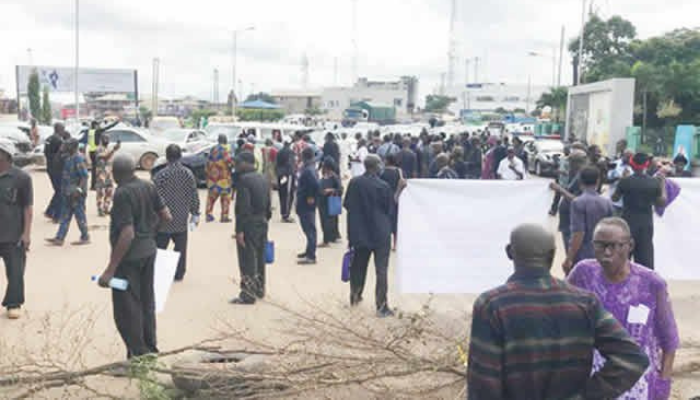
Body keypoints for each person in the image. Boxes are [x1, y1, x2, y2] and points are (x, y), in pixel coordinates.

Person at [467, 223, 650, 399]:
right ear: (553, 254)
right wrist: (587, 396)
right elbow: (633, 359)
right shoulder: (585, 303)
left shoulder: (492, 305)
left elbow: (483, 383)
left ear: (509, 252)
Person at [568, 218, 679, 400]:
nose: (607, 253)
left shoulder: (651, 283)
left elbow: (669, 340)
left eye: (615, 246)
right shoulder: (583, 274)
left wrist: (662, 385)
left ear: (630, 245)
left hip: (640, 384)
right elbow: (561, 310)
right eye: (600, 246)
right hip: (596, 382)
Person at [98, 154, 171, 359]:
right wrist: (151, 236)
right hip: (149, 253)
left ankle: (137, 355)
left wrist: (110, 270)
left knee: (127, 309)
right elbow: (166, 216)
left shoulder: (122, 193)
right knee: (146, 302)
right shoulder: (149, 186)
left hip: (128, 261)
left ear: (117, 174)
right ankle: (149, 348)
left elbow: (127, 233)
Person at [344, 154, 394, 318]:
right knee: (381, 270)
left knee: (358, 267)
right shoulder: (384, 186)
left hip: (360, 232)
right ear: (376, 166)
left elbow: (348, 205)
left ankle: (355, 296)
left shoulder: (354, 183)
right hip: (380, 232)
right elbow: (389, 209)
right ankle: (381, 305)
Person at [154, 145, 200, 282]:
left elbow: (154, 197)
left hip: (163, 219)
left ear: (167, 157)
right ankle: (179, 273)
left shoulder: (161, 175)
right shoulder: (188, 173)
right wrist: (195, 212)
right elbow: (193, 194)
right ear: (180, 156)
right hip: (181, 218)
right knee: (180, 248)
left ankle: (158, 272)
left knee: (160, 247)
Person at [612, 152, 667, 270]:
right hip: (645, 225)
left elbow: (614, 198)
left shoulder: (625, 181)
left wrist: (622, 179)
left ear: (632, 165)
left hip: (627, 224)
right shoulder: (654, 182)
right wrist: (662, 185)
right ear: (647, 165)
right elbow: (661, 203)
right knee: (644, 263)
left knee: (622, 260)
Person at [231, 152, 272, 305]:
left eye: (238, 163)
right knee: (260, 257)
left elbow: (243, 208)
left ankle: (248, 294)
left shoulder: (244, 181)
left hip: (249, 223)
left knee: (247, 258)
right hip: (262, 221)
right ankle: (260, 289)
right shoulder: (263, 177)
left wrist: (239, 230)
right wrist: (265, 219)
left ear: (247, 163)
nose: (236, 166)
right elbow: (269, 202)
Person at [0, 141, 33, 319]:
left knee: (15, 271)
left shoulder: (22, 178)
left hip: (13, 234)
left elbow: (28, 208)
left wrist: (26, 233)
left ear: (6, 155)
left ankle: (14, 303)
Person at [562, 166, 614, 274]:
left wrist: (569, 258)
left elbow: (578, 233)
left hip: (583, 256)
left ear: (580, 181)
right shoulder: (607, 203)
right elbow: (611, 233)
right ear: (598, 181)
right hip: (602, 255)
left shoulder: (578, 203)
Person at [46, 138, 90, 246]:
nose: (66, 147)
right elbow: (55, 162)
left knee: (80, 216)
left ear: (74, 147)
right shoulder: (67, 157)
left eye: (68, 145)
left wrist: (79, 190)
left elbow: (84, 176)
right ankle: (59, 238)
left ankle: (85, 236)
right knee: (65, 216)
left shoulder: (78, 158)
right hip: (67, 193)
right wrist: (61, 150)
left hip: (76, 194)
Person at [296, 147, 320, 265]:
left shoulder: (308, 170)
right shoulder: (309, 168)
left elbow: (315, 184)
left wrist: (310, 196)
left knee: (310, 229)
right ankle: (308, 251)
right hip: (304, 202)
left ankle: (311, 256)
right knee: (307, 228)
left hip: (306, 203)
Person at [205, 134, 234, 223]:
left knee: (211, 197)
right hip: (223, 178)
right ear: (225, 140)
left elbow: (207, 163)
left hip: (212, 177)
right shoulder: (225, 150)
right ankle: (224, 216)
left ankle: (208, 214)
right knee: (225, 197)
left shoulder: (213, 149)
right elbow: (229, 162)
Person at [379, 154, 405, 250]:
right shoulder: (399, 171)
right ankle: (395, 244)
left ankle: (387, 243)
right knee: (396, 222)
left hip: (386, 199)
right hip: (397, 199)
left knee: (386, 221)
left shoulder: (383, 173)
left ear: (387, 161)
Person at [86, 118, 120, 191]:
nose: (98, 126)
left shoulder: (90, 131)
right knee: (98, 170)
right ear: (95, 125)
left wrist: (103, 122)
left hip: (91, 151)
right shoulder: (97, 131)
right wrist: (116, 123)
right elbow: (107, 127)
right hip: (96, 151)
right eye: (97, 125)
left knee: (94, 169)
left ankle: (93, 185)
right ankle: (95, 185)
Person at [44, 122, 67, 222]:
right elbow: (61, 155)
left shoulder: (49, 139)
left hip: (50, 167)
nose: (64, 131)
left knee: (58, 191)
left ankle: (49, 211)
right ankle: (57, 216)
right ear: (60, 129)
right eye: (63, 129)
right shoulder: (59, 140)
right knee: (61, 192)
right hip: (57, 169)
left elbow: (46, 153)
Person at [318, 158, 343, 248]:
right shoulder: (324, 176)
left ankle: (326, 240)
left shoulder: (334, 177)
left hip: (330, 201)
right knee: (325, 221)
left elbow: (340, 190)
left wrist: (330, 190)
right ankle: (330, 237)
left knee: (328, 221)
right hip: (323, 201)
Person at [95, 134, 121, 217]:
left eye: (108, 138)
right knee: (101, 192)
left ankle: (106, 208)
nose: (107, 140)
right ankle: (100, 209)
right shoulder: (99, 149)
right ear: (101, 140)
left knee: (109, 191)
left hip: (108, 173)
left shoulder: (107, 148)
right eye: (105, 138)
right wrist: (114, 149)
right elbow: (105, 156)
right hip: (101, 174)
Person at [607, 149, 634, 216]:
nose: (629, 159)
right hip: (614, 202)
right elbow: (607, 180)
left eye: (631, 157)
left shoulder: (633, 167)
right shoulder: (614, 164)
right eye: (628, 157)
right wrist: (619, 178)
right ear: (623, 155)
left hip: (628, 203)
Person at [275, 136, 296, 223]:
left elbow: (276, 164)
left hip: (280, 175)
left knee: (282, 194)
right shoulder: (290, 152)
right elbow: (290, 164)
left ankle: (283, 213)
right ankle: (286, 215)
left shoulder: (279, 152)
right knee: (288, 195)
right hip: (288, 175)